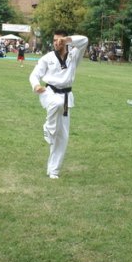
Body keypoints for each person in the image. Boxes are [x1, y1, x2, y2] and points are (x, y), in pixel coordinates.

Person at [29, 30, 88, 179]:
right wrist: (36, 85)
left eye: (59, 40)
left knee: (62, 137)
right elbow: (34, 75)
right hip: (49, 92)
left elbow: (85, 40)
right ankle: (48, 128)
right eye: (54, 40)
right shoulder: (47, 58)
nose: (56, 42)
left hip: (67, 96)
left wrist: (67, 39)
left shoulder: (74, 56)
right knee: (56, 103)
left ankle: (53, 170)